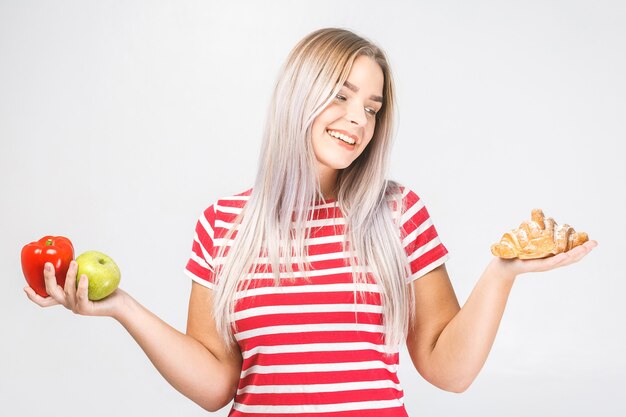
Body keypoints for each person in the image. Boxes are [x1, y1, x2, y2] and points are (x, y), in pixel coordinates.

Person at [24, 28, 597, 416]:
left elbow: (448, 371)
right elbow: (216, 386)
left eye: (372, 108)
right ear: (300, 95)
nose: (357, 120)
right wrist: (121, 304)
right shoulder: (223, 224)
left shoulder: (400, 213)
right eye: (342, 97)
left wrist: (501, 274)